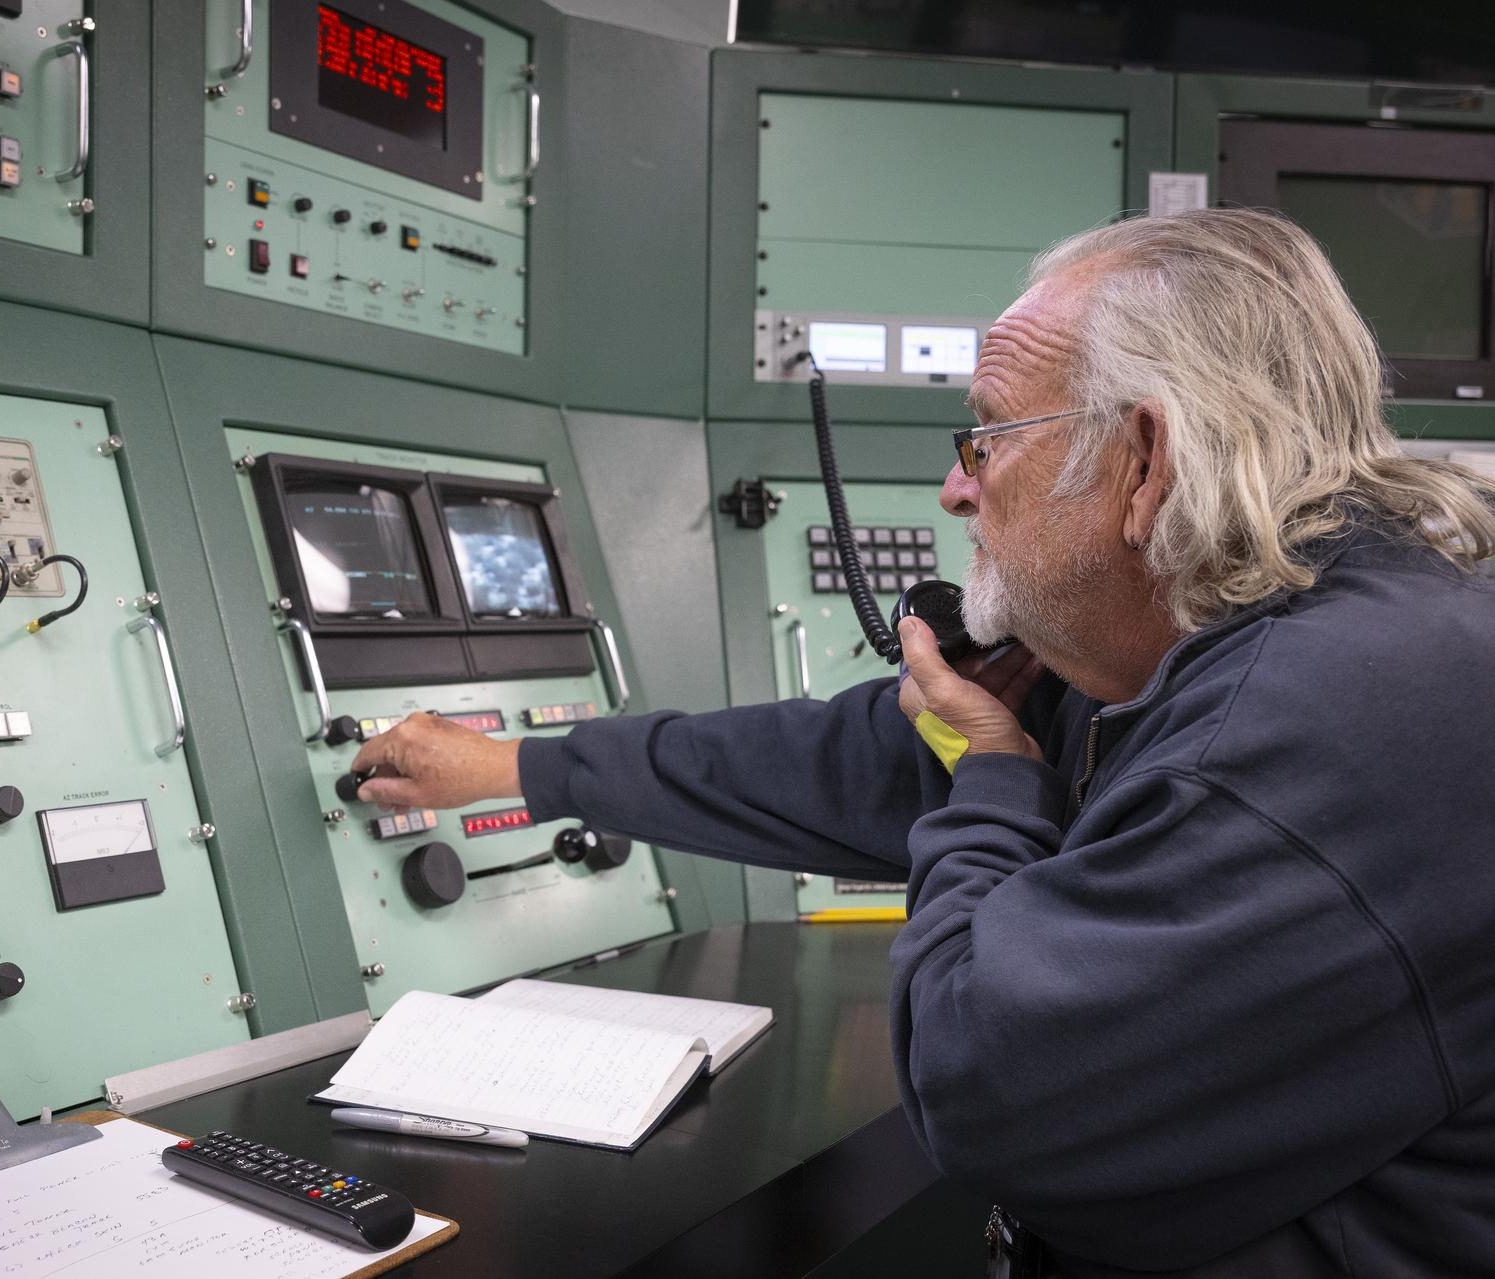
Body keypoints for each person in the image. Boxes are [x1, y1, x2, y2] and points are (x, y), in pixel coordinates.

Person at [349, 208, 1495, 1277]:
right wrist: (518, 766)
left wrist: (990, 778)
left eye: (986, 435)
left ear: (1142, 463)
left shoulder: (1315, 726)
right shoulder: (1232, 626)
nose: (955, 487)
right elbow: (850, 755)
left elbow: (989, 1089)